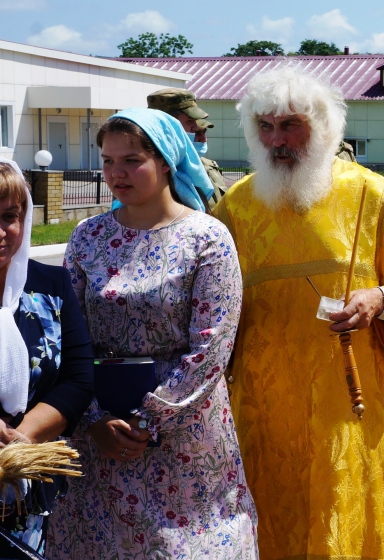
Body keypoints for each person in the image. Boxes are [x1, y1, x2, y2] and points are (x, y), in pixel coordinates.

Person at [213, 65, 384, 560]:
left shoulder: (371, 196)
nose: (277, 140)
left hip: (348, 403)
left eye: (290, 125)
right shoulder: (235, 207)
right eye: (265, 127)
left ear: (322, 127)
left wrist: (380, 300)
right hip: (262, 410)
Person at [47, 108, 257, 558]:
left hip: (185, 435)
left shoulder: (207, 238)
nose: (116, 174)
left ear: (164, 161)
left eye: (131, 160)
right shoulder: (87, 237)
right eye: (108, 161)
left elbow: (212, 346)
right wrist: (94, 421)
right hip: (99, 430)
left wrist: (150, 420)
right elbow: (67, 334)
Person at [0, 159, 93, 555]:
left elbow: (78, 377)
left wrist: (19, 443)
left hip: (29, 487)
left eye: (9, 216)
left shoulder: (52, 286)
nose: (0, 232)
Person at [147, 87, 228, 210]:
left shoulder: (197, 166)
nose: (195, 127)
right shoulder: (148, 173)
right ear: (167, 124)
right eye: (190, 121)